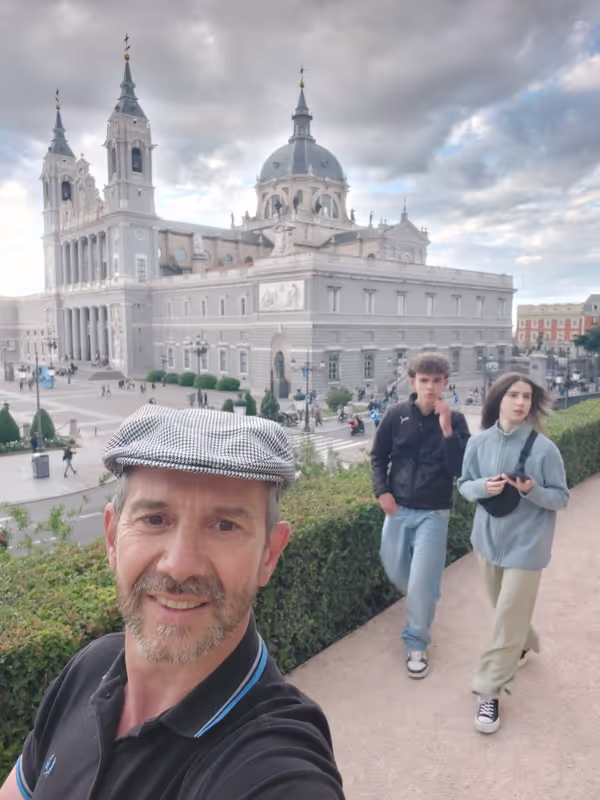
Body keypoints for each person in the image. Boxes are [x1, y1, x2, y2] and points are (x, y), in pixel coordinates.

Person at [1, 407, 345, 800]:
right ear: (112, 538)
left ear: (270, 554)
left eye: (225, 526)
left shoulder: (276, 773)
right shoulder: (88, 668)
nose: (180, 566)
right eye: (155, 519)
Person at [458, 374, 569, 735]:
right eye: (513, 395)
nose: (520, 402)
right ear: (498, 399)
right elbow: (464, 485)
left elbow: (561, 498)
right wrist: (483, 487)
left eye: (527, 396)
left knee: (505, 616)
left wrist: (533, 490)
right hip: (486, 542)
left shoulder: (544, 450)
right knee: (505, 609)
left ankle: (488, 689)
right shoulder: (478, 443)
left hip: (528, 546)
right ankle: (525, 642)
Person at [371, 352, 470, 679]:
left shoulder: (455, 422)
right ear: (413, 382)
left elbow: (459, 468)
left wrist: (445, 430)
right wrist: (382, 491)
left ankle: (416, 642)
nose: (430, 387)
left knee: (422, 583)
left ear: (445, 383)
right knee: (395, 568)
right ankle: (422, 598)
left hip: (434, 513)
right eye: (424, 380)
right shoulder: (396, 415)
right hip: (398, 509)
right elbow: (378, 457)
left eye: (436, 381)